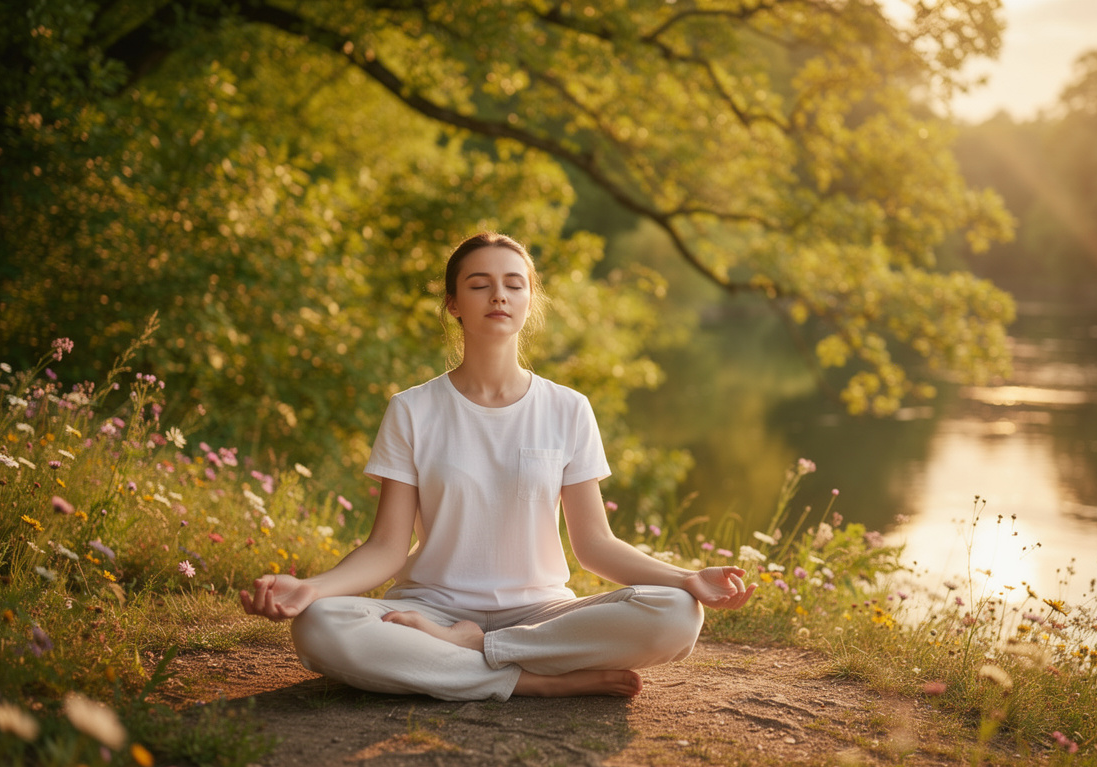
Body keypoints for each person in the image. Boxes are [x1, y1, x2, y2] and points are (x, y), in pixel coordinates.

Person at [240, 232, 755, 701]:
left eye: (513, 284)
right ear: (453, 304)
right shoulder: (412, 409)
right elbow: (386, 548)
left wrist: (687, 577)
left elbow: (595, 546)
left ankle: (475, 650)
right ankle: (528, 681)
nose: (499, 296)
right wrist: (313, 589)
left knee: (676, 614)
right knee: (320, 624)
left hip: (540, 613)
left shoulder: (567, 408)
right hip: (429, 608)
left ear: (530, 300)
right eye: (479, 284)